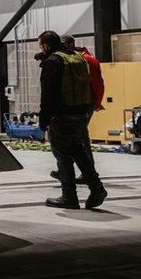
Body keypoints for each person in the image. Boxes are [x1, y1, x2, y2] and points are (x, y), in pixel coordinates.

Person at [37, 31, 106, 210]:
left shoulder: (53, 62)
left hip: (62, 116)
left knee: (63, 156)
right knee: (79, 152)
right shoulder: (77, 57)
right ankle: (97, 188)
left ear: (45, 45)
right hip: (81, 114)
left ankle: (69, 197)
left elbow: (48, 95)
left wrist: (43, 120)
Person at [49, 35, 106, 185]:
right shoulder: (74, 58)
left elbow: (98, 84)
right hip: (80, 104)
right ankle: (88, 176)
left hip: (82, 104)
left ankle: (76, 174)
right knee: (80, 138)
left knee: (72, 139)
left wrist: (96, 103)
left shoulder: (85, 60)